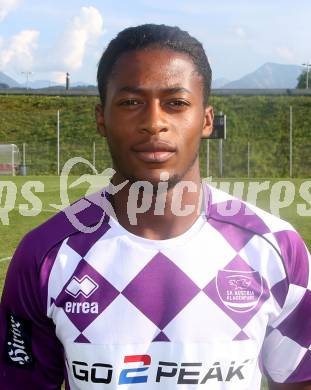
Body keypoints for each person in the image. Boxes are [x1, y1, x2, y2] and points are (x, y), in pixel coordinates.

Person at [0, 24, 310, 390]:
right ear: (102, 118)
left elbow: (296, 381)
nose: (154, 123)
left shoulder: (276, 248)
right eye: (131, 102)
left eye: (176, 103)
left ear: (206, 119)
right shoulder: (45, 256)